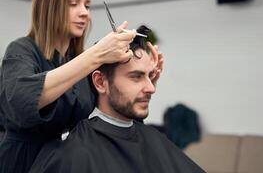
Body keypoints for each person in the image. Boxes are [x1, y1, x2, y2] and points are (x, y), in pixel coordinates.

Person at [0, 0, 162, 173]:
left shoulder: (82, 60)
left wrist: (142, 84)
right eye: (73, 4)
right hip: (23, 164)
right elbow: (20, 101)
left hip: (66, 163)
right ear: (49, 7)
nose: (84, 12)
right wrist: (97, 55)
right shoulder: (21, 51)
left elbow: (116, 108)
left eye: (87, 5)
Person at [29, 26, 205, 173]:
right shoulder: (74, 153)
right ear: (100, 82)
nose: (151, 87)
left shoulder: (153, 139)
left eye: (149, 76)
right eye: (136, 77)